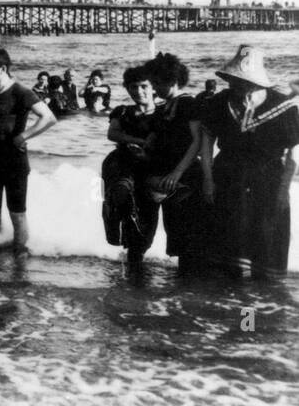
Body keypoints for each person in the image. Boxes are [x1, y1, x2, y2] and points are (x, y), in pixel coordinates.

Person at [199, 45, 299, 280]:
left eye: (240, 80)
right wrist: (208, 180)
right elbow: (206, 144)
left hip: (269, 184)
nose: (234, 85)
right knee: (231, 258)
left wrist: (283, 193)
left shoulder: (284, 107)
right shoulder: (220, 102)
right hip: (229, 181)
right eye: (232, 80)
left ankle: (257, 312)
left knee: (266, 253)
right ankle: (240, 311)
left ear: (256, 82)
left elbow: (293, 156)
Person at [0, 49, 58, 253]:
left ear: (2, 69)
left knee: (16, 211)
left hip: (14, 162)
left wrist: (24, 136)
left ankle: (20, 253)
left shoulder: (21, 92)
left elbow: (49, 118)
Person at [143, 53, 209, 269]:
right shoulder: (163, 108)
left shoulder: (189, 103)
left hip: (186, 175)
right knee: (176, 231)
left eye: (157, 84)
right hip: (168, 175)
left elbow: (197, 142)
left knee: (187, 233)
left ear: (172, 81)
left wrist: (177, 172)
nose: (154, 89)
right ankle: (184, 282)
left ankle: (189, 279)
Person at [100, 66, 160, 264]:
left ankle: (135, 260)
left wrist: (147, 149)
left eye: (144, 86)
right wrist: (138, 141)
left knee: (146, 222)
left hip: (150, 166)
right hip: (122, 163)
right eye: (133, 87)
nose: (138, 91)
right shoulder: (123, 111)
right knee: (122, 196)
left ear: (153, 88)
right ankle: (111, 219)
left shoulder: (163, 113)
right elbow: (112, 133)